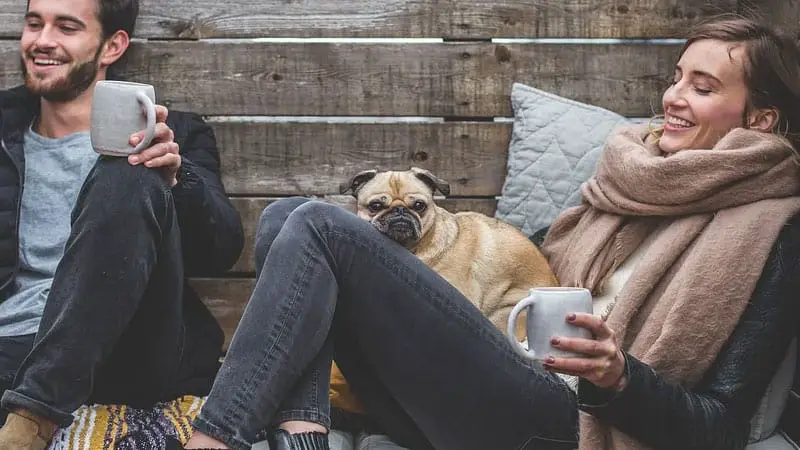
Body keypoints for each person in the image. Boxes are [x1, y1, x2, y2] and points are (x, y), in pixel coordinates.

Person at [176, 15, 800, 450]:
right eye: (676, 76)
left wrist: (619, 378)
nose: (673, 97)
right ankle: (304, 429)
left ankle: (216, 435)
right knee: (291, 215)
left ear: (761, 118)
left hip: (564, 427)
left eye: (704, 85)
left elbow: (719, 428)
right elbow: (535, 260)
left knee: (315, 224)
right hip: (494, 382)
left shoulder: (768, 231)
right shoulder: (633, 179)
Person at [0, 0, 244, 448]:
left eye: (67, 27)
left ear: (112, 45)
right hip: (12, 346)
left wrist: (176, 176)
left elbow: (222, 248)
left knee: (130, 168)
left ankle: (33, 417)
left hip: (128, 350)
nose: (42, 41)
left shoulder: (178, 134)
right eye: (35, 23)